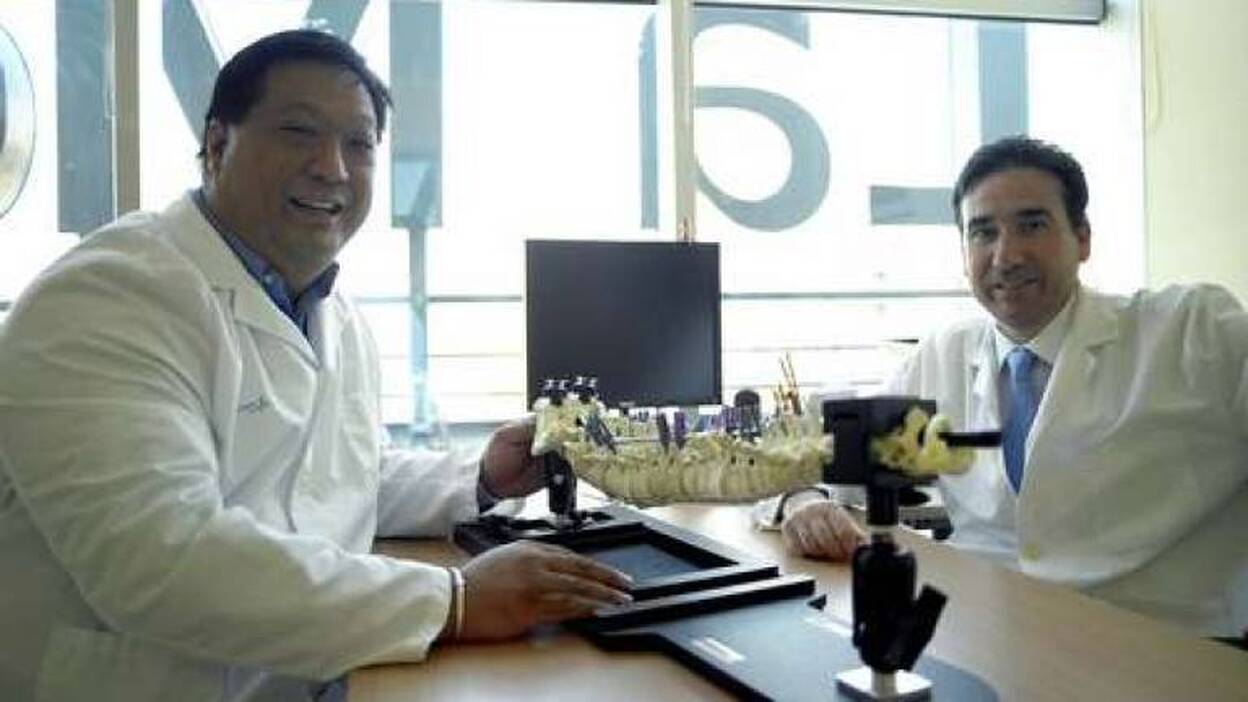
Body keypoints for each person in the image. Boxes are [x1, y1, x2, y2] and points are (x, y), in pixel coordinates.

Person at [0, 30, 631, 701]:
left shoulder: (330, 310)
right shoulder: (108, 297)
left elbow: (338, 478)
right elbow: (159, 560)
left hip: (309, 678)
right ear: (217, 145)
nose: (332, 168)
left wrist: (482, 477)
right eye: (299, 132)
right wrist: (454, 601)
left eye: (359, 144)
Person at [780, 136, 1248, 638]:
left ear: (1083, 238)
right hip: (989, 633)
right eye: (983, 232)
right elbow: (828, 464)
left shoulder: (1191, 330)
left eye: (1032, 225)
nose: (1006, 255)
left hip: (1164, 645)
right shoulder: (942, 356)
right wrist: (801, 501)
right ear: (964, 254)